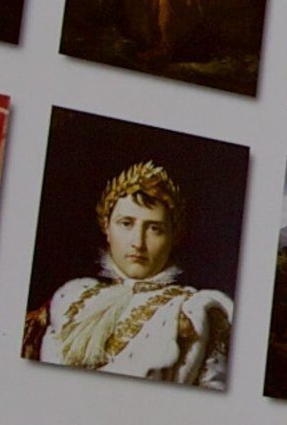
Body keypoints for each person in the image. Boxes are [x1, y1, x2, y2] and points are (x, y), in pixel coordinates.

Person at [33, 162, 231, 386]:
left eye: (154, 229)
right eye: (126, 223)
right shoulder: (72, 299)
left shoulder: (194, 311)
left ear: (173, 237)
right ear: (107, 228)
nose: (138, 242)